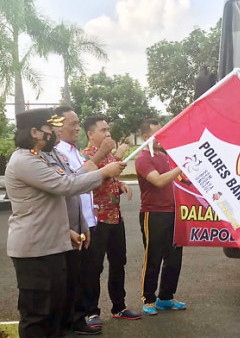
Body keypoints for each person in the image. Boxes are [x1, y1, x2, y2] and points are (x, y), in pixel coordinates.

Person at [5, 108, 125, 338]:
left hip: (52, 244)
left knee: (56, 311)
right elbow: (65, 186)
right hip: (34, 250)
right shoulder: (24, 160)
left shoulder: (45, 156)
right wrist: (103, 172)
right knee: (37, 315)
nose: (55, 132)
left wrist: (70, 228)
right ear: (35, 132)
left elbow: (69, 184)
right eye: (50, 128)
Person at [52, 106, 116, 335]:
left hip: (85, 222)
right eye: (73, 124)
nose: (77, 128)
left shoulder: (73, 150)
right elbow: (73, 182)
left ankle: (78, 319)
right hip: (69, 225)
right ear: (57, 126)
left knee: (85, 273)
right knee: (73, 277)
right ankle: (73, 320)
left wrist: (87, 219)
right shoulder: (58, 152)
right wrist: (102, 157)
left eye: (78, 123)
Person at [81, 115, 141, 325]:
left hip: (116, 218)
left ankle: (119, 306)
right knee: (93, 267)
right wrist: (112, 160)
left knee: (118, 263)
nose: (108, 134)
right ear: (90, 135)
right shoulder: (86, 158)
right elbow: (86, 182)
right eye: (103, 130)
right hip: (97, 221)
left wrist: (121, 185)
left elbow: (111, 176)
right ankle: (91, 312)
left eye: (108, 130)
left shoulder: (108, 158)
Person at [135, 119, 187, 315]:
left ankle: (166, 297)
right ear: (146, 137)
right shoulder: (142, 158)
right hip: (153, 213)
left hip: (173, 213)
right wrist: (180, 167)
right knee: (153, 257)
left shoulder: (165, 156)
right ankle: (148, 298)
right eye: (158, 134)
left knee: (174, 257)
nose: (162, 137)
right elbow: (158, 181)